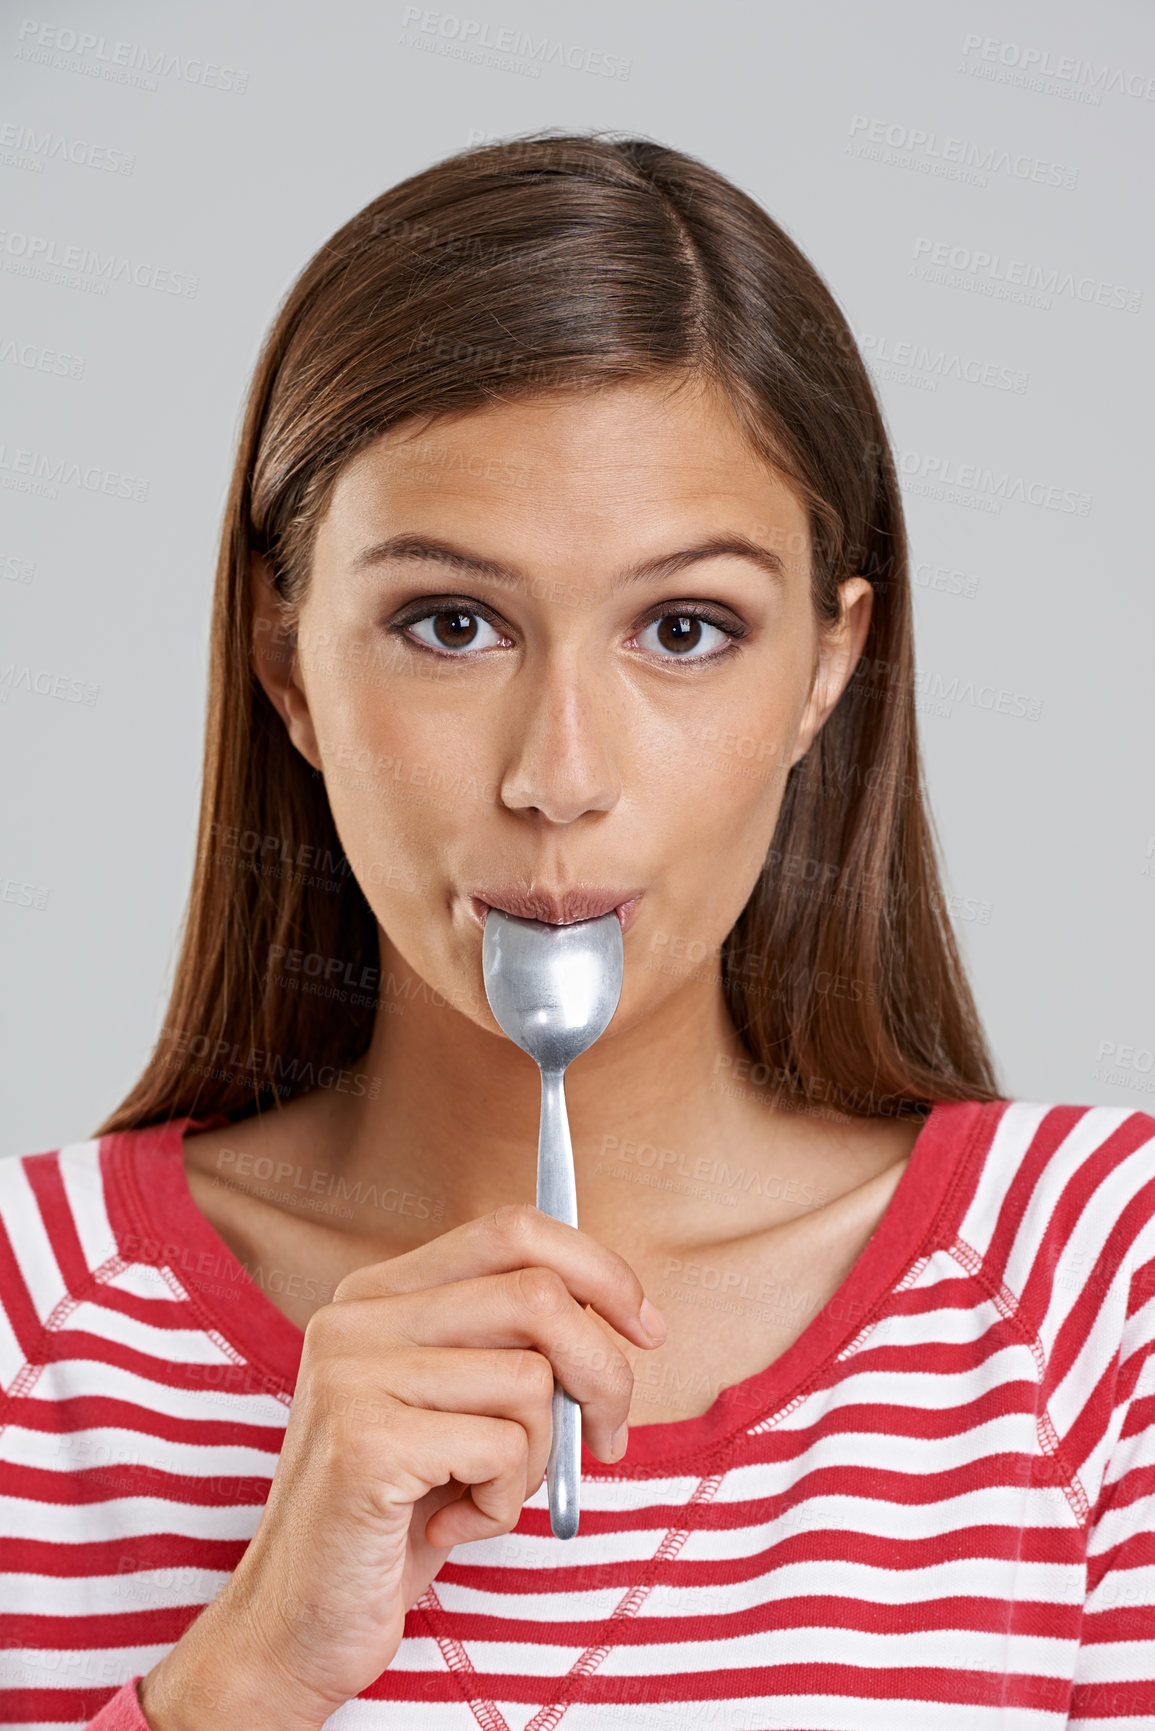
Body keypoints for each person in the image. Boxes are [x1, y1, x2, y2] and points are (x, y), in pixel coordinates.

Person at [1, 129, 1152, 1731]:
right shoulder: (27, 1321)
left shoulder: (1100, 1296)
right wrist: (241, 1674)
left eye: (685, 630)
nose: (559, 777)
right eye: (450, 625)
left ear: (827, 667)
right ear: (288, 666)